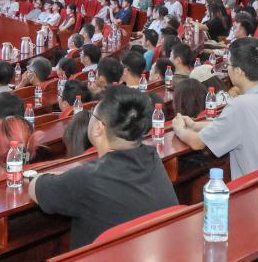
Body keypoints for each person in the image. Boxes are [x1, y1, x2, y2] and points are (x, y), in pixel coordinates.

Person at [30, 86, 177, 249]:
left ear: (99, 128)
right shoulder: (153, 158)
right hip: (148, 255)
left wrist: (56, 174)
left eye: (92, 112)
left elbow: (35, 187)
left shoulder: (88, 179)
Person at [171, 38, 258, 179]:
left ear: (238, 71)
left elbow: (197, 142)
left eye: (229, 64)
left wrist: (179, 128)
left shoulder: (240, 105)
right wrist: (195, 125)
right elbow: (233, 125)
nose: (227, 68)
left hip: (257, 186)